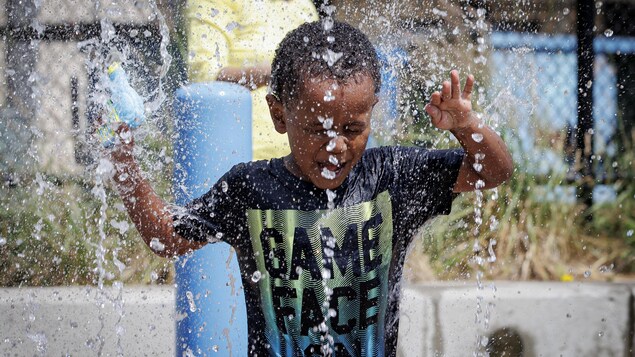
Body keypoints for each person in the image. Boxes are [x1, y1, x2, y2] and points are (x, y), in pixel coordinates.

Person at [108, 20, 513, 357]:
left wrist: (466, 124)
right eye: (317, 130)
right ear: (279, 115)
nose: (336, 146)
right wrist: (125, 164)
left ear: (371, 111)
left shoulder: (392, 177)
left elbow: (493, 171)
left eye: (353, 129)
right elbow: (165, 237)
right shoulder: (250, 188)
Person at [186, 0, 319, 160]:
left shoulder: (302, 5)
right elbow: (204, 77)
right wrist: (268, 74)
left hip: (300, 159)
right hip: (238, 157)